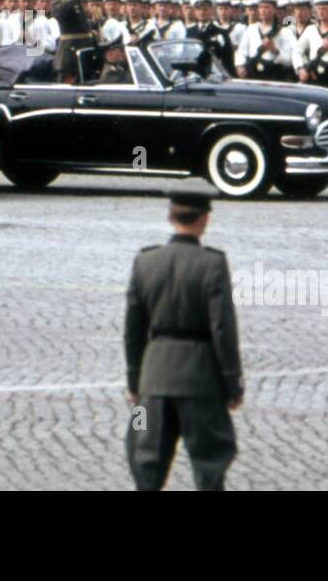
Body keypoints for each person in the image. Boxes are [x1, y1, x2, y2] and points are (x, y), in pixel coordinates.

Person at [124, 190, 243, 492]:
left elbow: (133, 330)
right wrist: (232, 383)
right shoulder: (213, 264)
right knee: (211, 460)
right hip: (201, 380)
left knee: (144, 456)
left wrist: (134, 382)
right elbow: (223, 329)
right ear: (204, 220)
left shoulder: (145, 262)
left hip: (153, 381)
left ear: (169, 217)